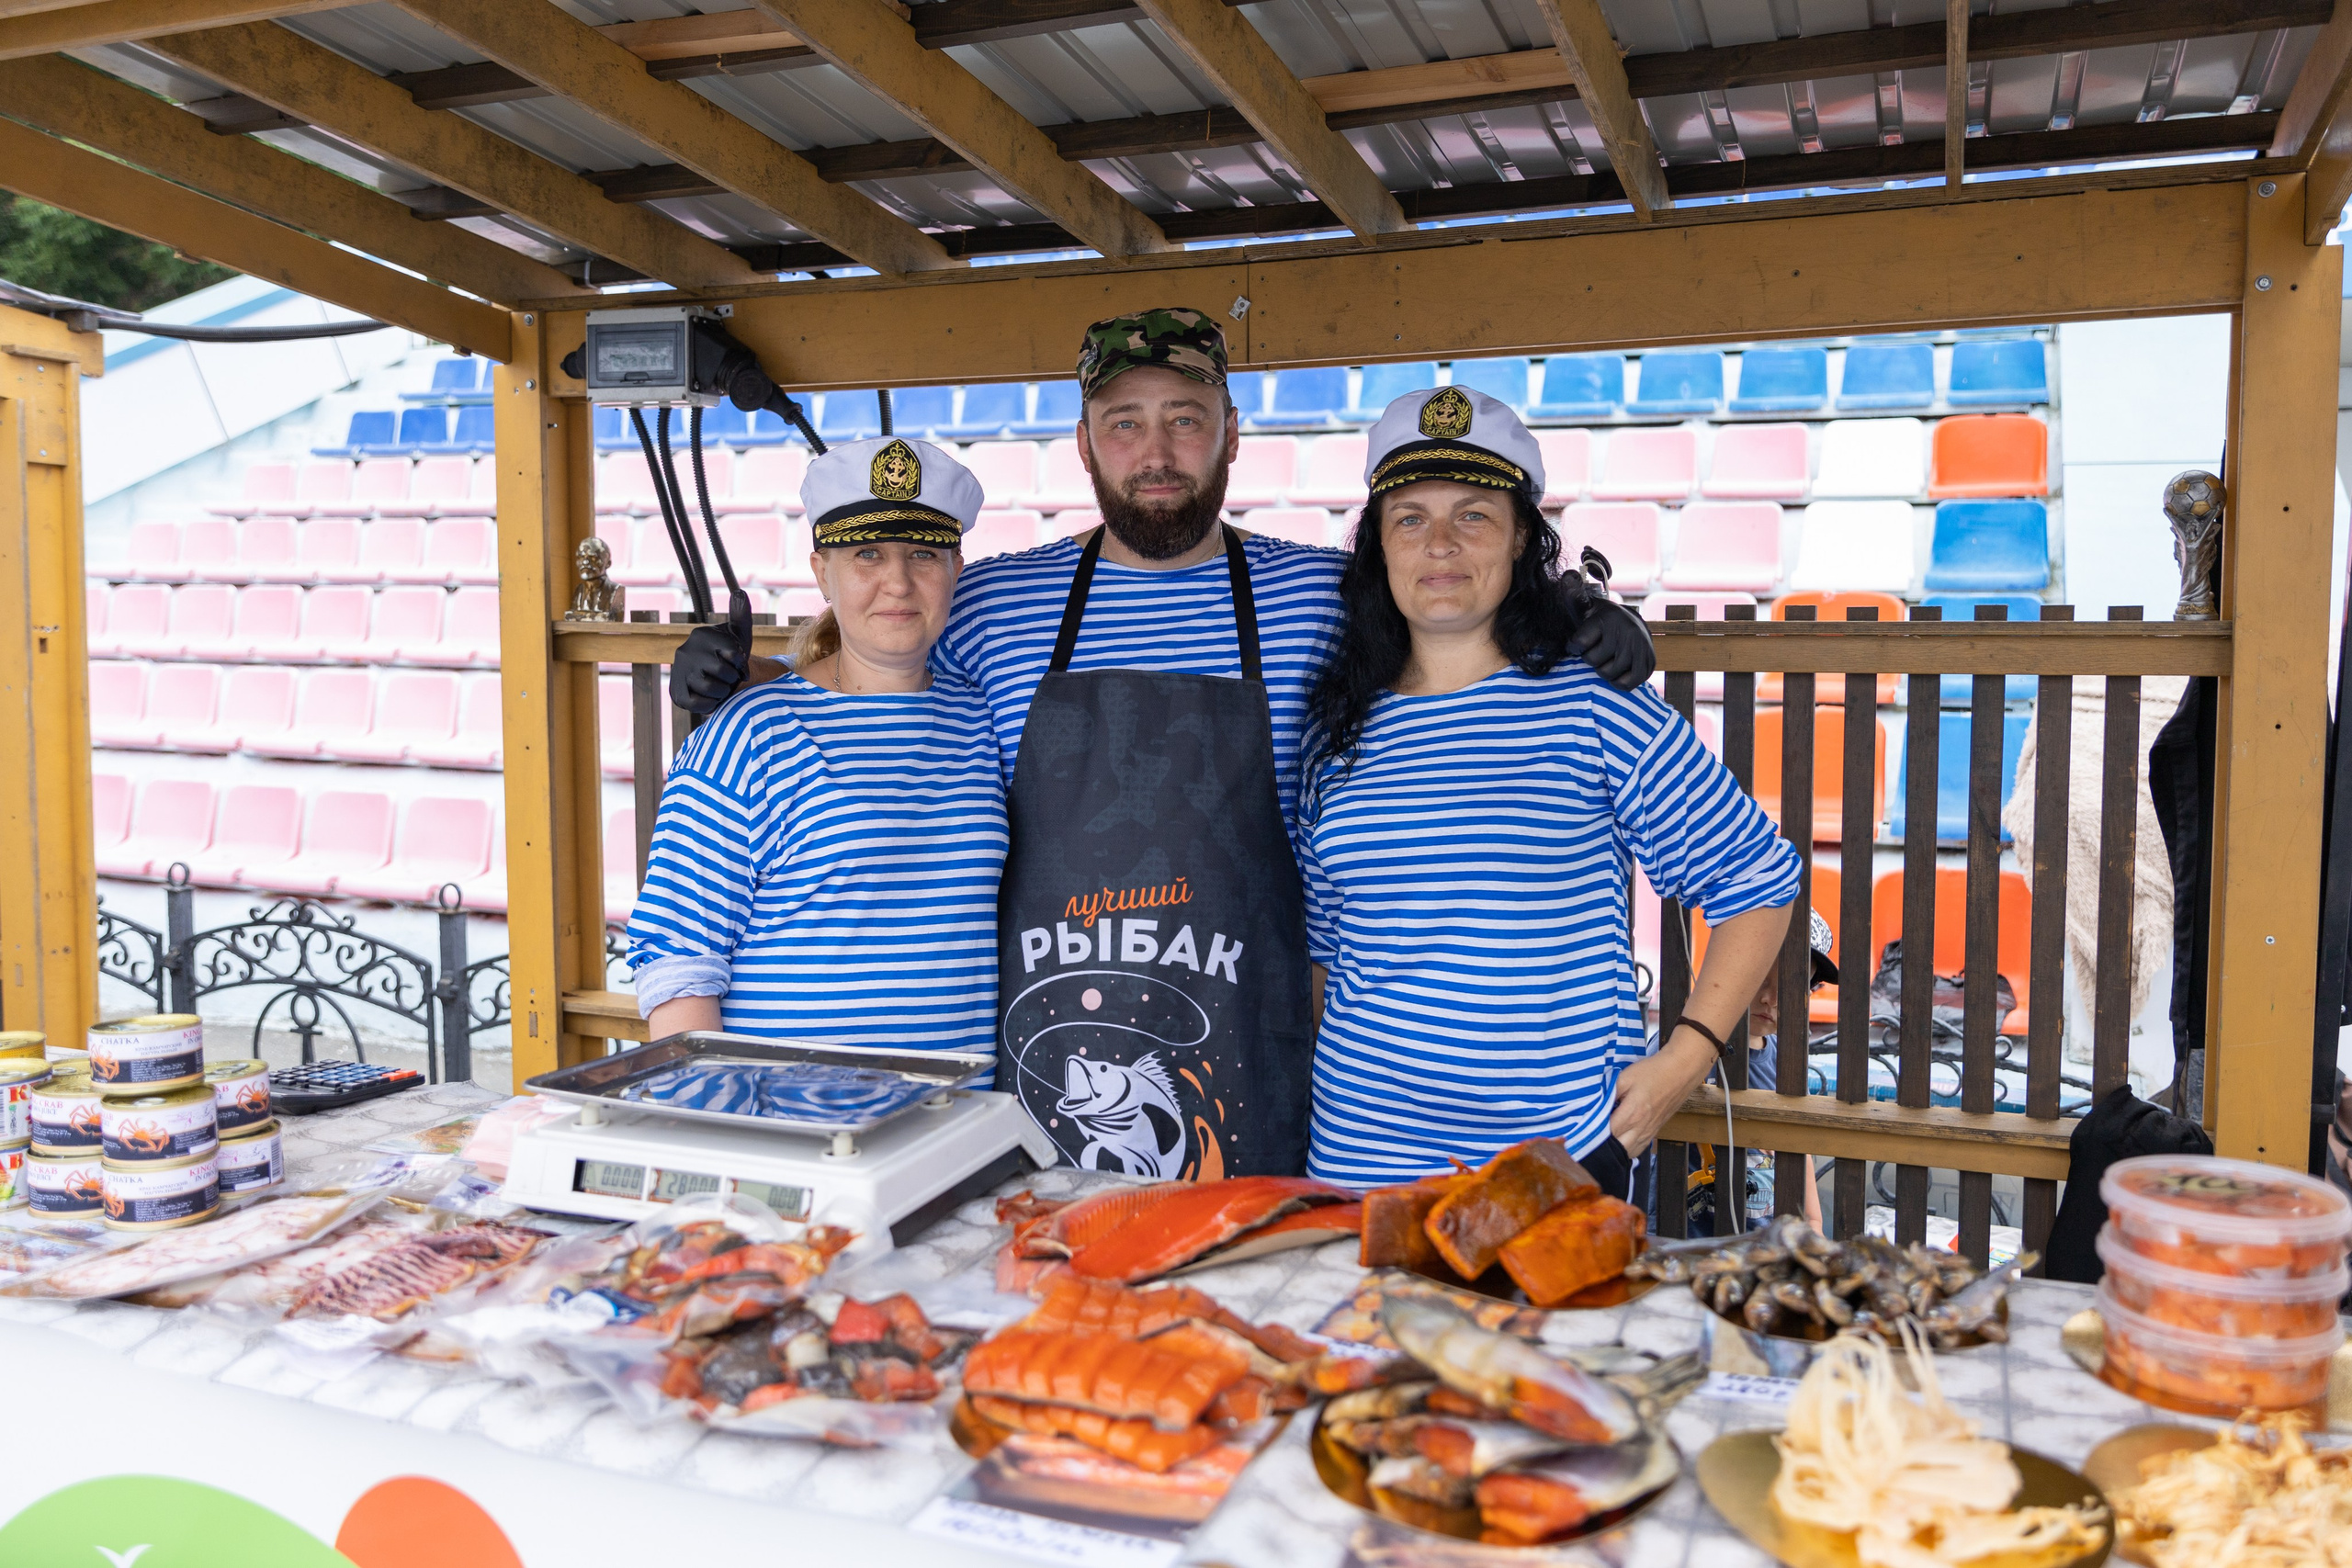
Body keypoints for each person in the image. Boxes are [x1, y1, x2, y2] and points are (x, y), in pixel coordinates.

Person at [667, 310, 1657, 1179]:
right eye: (1123, 422)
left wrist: (1570, 618)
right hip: (1047, 1062)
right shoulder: (996, 602)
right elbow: (880, 663)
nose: (1156, 450)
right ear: (1085, 444)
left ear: (1231, 434)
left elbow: (1446, 601)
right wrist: (745, 682)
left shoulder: (1320, 593)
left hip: (1253, 1056)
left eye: (1185, 419)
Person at [1297, 385, 1803, 1195]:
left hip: (1552, 1156)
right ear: (1378, 546)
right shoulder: (1336, 726)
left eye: (1474, 515)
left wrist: (1684, 1058)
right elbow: (1327, 951)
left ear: (1524, 537)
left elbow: (1760, 880)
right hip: (1360, 1156)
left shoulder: (1594, 701)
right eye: (1410, 517)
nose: (1440, 545)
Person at [625, 436, 1007, 1060]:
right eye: (867, 554)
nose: (899, 582)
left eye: (924, 554)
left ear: (956, 571)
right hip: (790, 1134)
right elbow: (677, 965)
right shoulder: (748, 737)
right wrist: (717, 1120)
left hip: (952, 1126)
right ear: (821, 572)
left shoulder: (979, 715)